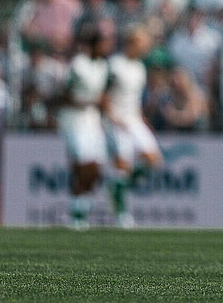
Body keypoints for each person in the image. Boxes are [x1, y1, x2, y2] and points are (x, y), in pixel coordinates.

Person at [103, 26, 163, 228]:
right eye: (142, 43)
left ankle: (116, 188)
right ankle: (121, 214)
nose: (145, 48)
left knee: (153, 159)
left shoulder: (139, 67)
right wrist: (111, 117)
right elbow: (104, 95)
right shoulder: (114, 65)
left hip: (134, 119)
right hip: (117, 120)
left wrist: (143, 121)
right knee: (122, 166)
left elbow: (135, 100)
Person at [57, 29, 112, 230]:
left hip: (93, 120)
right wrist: (89, 101)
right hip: (74, 119)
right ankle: (76, 213)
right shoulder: (78, 65)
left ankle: (81, 209)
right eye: (104, 43)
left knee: (95, 169)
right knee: (82, 165)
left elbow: (104, 94)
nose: (107, 47)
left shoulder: (103, 67)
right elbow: (64, 95)